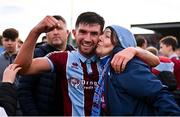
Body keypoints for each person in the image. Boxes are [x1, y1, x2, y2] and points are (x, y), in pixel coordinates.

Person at [14, 12, 159, 116]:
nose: (88, 39)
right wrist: (35, 32)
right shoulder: (62, 58)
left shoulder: (110, 57)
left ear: (101, 35)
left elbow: (155, 62)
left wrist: (134, 50)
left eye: (94, 33)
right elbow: (22, 68)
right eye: (83, 32)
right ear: (74, 33)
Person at [92, 25, 180, 116]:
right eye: (101, 34)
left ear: (120, 43)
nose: (100, 38)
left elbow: (159, 95)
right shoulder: (106, 65)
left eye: (107, 36)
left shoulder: (127, 65)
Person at [18, 15, 74, 116]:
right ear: (45, 34)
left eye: (59, 28)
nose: (55, 32)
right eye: (51, 29)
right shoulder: (35, 55)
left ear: (67, 32)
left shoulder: (75, 56)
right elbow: (24, 91)